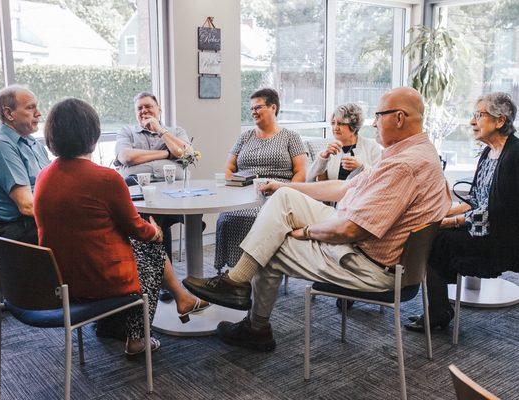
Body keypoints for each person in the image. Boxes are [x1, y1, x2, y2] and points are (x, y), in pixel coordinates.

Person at [183, 87, 451, 351]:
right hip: (370, 243)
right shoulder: (416, 153)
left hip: (369, 264)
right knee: (285, 198)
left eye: (379, 115)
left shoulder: (402, 165)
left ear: (400, 117)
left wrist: (308, 231)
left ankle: (256, 327)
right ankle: (237, 283)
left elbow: (349, 231)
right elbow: (343, 189)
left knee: (270, 247)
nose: (373, 122)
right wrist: (284, 186)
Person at [34, 98, 208, 355]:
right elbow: (138, 229)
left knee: (143, 245)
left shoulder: (44, 176)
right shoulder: (106, 178)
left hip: (60, 279)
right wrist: (155, 232)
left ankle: (181, 299)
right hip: (97, 280)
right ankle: (137, 338)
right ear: (93, 135)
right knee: (151, 249)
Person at [405, 92, 518, 333]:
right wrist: (439, 213)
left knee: (434, 239)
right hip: (482, 227)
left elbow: (497, 214)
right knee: (432, 233)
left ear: (500, 121)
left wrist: (445, 222)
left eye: (479, 115)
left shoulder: (514, 156)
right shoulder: (489, 153)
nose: (472, 121)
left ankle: (438, 312)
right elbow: (475, 199)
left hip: (500, 238)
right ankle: (439, 310)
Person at [214, 88, 307, 272]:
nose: (254, 112)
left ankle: (256, 271)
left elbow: (301, 173)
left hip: (278, 192)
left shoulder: (290, 137)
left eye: (258, 107)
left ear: (273, 107)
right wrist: (232, 187)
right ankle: (234, 271)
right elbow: (228, 168)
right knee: (226, 218)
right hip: (244, 190)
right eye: (252, 109)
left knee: (257, 217)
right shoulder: (245, 136)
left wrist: (285, 191)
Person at [115, 91, 189, 262]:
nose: (143, 111)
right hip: (137, 188)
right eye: (139, 108)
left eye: (148, 106)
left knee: (156, 214)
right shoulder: (127, 132)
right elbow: (126, 157)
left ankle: (159, 278)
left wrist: (160, 130)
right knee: (157, 214)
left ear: (159, 109)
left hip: (174, 189)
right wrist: (166, 153)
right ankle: (177, 218)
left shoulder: (175, 131)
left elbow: (186, 154)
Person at [0, 85, 50, 244]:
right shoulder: (1, 146)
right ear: (8, 113)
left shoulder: (32, 143)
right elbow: (27, 205)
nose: (38, 113)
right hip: (21, 229)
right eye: (30, 108)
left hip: (36, 222)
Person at [306, 103, 381, 182]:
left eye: (340, 124)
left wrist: (361, 167)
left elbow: (379, 178)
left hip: (362, 193)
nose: (335, 128)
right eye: (333, 123)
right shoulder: (329, 148)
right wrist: (323, 158)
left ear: (353, 126)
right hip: (335, 192)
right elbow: (309, 180)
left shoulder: (371, 146)